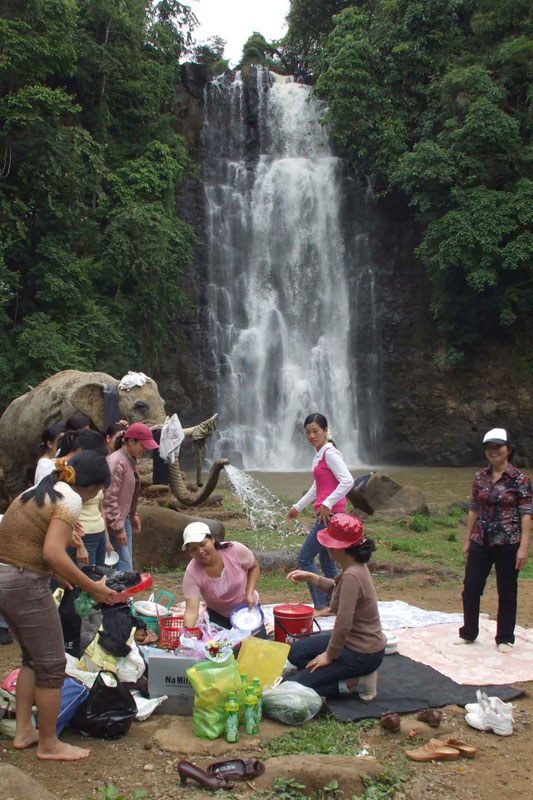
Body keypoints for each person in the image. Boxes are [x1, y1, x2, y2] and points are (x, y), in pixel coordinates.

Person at [0, 452, 116, 761]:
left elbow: (26, 541)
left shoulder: (37, 491)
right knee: (52, 665)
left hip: (5, 580)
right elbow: (52, 551)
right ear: (93, 487)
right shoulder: (71, 500)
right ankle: (49, 744)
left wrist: (57, 574)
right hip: (25, 583)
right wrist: (91, 586)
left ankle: (25, 730)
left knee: (31, 659)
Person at [285, 513, 386, 699]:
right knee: (295, 653)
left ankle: (354, 682)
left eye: (329, 542)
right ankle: (341, 672)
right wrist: (311, 577)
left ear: (341, 548)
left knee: (297, 687)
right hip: (351, 642)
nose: (325, 546)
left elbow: (343, 624)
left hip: (362, 652)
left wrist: (329, 655)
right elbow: (337, 588)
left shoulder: (352, 575)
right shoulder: (352, 568)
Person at [457, 428, 531, 653]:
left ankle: (505, 638)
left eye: (497, 447)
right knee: (470, 587)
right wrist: (467, 539)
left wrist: (524, 547)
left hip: (508, 542)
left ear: (508, 449)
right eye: (489, 448)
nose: (493, 451)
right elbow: (474, 509)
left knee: (507, 590)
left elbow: (527, 513)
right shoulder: (479, 476)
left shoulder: (520, 479)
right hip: (481, 539)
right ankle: (469, 632)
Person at [286, 413, 354, 615]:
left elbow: (348, 480)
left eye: (316, 431)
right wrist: (297, 506)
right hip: (327, 514)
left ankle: (322, 605)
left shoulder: (330, 453)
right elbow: (318, 486)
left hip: (329, 517)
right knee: (326, 561)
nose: (311, 436)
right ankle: (335, 604)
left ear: (326, 431)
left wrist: (328, 503)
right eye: (308, 432)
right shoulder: (320, 454)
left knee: (305, 558)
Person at [182, 522, 264, 634]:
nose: (200, 552)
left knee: (256, 648)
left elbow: (254, 567)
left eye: (203, 544)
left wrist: (249, 593)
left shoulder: (235, 550)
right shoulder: (192, 573)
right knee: (220, 649)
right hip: (218, 617)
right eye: (193, 549)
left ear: (212, 539)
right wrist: (187, 633)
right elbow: (191, 610)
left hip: (247, 611)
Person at [102, 422, 158, 571]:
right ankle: (125, 594)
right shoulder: (116, 461)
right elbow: (108, 498)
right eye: (143, 445)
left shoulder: (129, 459)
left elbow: (128, 493)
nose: (145, 450)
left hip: (123, 519)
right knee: (124, 566)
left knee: (125, 564)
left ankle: (125, 593)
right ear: (131, 442)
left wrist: (133, 514)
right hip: (114, 523)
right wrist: (118, 528)